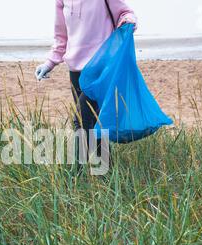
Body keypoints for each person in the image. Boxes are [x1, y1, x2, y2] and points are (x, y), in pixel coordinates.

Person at [35, 0, 137, 164]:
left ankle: (76, 175)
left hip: (100, 68)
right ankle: (104, 173)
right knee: (94, 124)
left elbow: (125, 13)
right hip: (76, 71)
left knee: (81, 121)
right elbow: (62, 38)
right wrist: (49, 63)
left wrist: (127, 21)